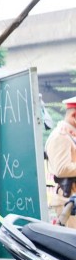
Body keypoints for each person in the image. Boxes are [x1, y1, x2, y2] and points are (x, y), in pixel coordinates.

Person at [46, 96, 76, 226]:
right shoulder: (61, 136)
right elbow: (61, 169)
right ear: (74, 115)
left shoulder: (70, 135)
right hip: (68, 202)